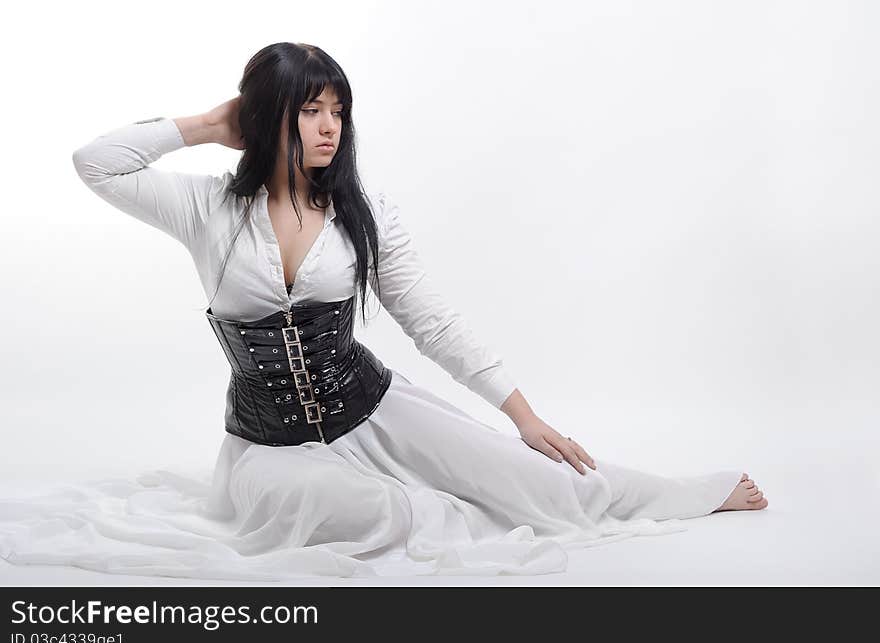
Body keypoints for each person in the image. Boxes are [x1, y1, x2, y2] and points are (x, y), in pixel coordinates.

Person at [0, 42, 766, 580]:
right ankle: (429, 496)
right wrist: (207, 124)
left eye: (337, 109)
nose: (330, 126)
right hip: (270, 450)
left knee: (539, 484)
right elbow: (94, 161)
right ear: (268, 117)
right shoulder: (204, 207)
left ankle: (694, 493)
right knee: (386, 517)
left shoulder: (362, 215)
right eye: (307, 110)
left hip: (375, 407)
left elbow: (433, 321)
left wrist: (523, 415)